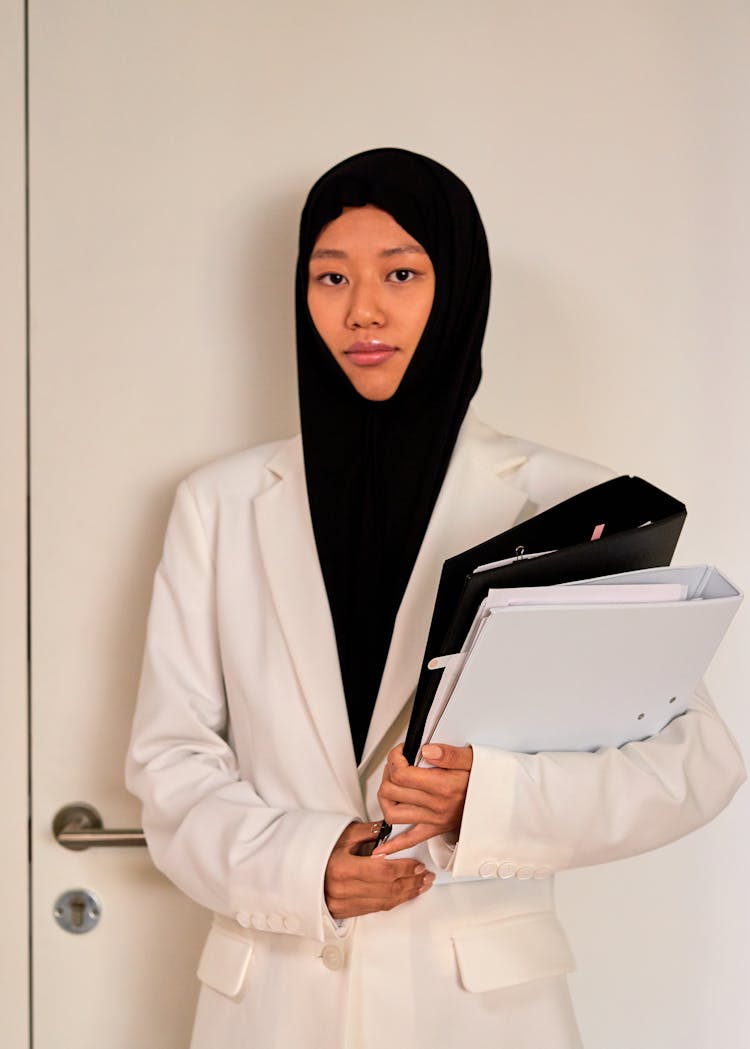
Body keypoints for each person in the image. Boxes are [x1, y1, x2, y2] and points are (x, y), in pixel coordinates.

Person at [126, 148, 745, 1049]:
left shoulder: (569, 509)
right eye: (330, 275)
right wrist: (302, 868)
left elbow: (696, 764)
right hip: (271, 1003)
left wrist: (486, 802)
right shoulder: (218, 504)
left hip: (481, 1011)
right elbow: (168, 759)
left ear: (457, 290)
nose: (362, 309)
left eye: (402, 273)